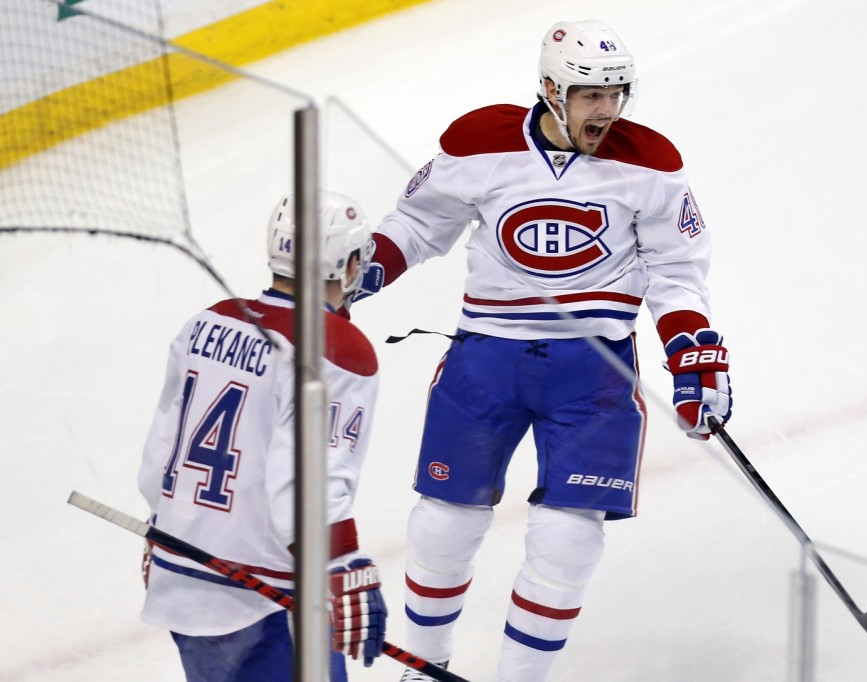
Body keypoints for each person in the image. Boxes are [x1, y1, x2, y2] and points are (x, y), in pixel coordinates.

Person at [356, 19, 732, 682]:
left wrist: (694, 358)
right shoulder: (480, 143)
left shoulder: (650, 163)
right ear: (552, 88)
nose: (607, 109)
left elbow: (677, 273)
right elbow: (418, 223)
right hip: (486, 359)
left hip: (594, 372)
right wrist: (360, 273)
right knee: (443, 524)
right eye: (591, 94)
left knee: (568, 539)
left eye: (616, 94)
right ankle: (423, 668)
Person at [137, 191, 388, 681]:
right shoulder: (336, 349)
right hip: (264, 592)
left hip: (180, 568)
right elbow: (305, 481)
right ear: (347, 264)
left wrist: (160, 525)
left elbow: (162, 444)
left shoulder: (206, 321)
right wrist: (343, 561)